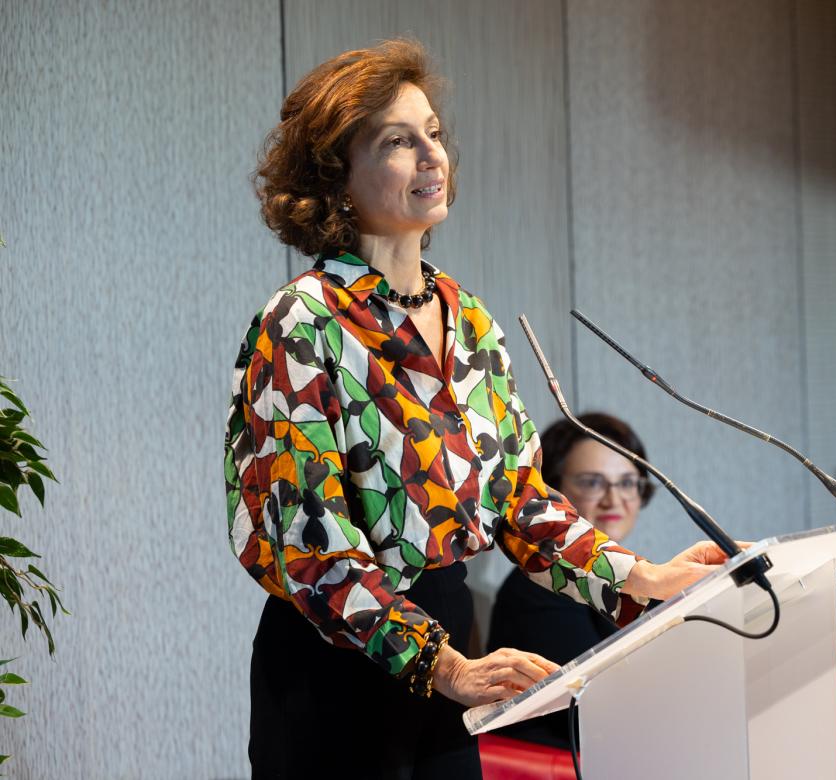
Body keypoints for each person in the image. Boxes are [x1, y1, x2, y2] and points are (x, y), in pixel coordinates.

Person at [224, 39, 733, 780]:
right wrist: (444, 663)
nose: (433, 154)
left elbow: (519, 500)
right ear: (336, 177)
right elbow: (311, 547)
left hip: (449, 652)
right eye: (399, 140)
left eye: (433, 132)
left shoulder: (469, 319)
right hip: (335, 673)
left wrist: (642, 577)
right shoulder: (302, 323)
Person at [487, 412, 655, 749]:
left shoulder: (640, 580)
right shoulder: (536, 584)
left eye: (626, 482)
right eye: (593, 482)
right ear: (550, 493)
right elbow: (593, 704)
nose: (614, 499)